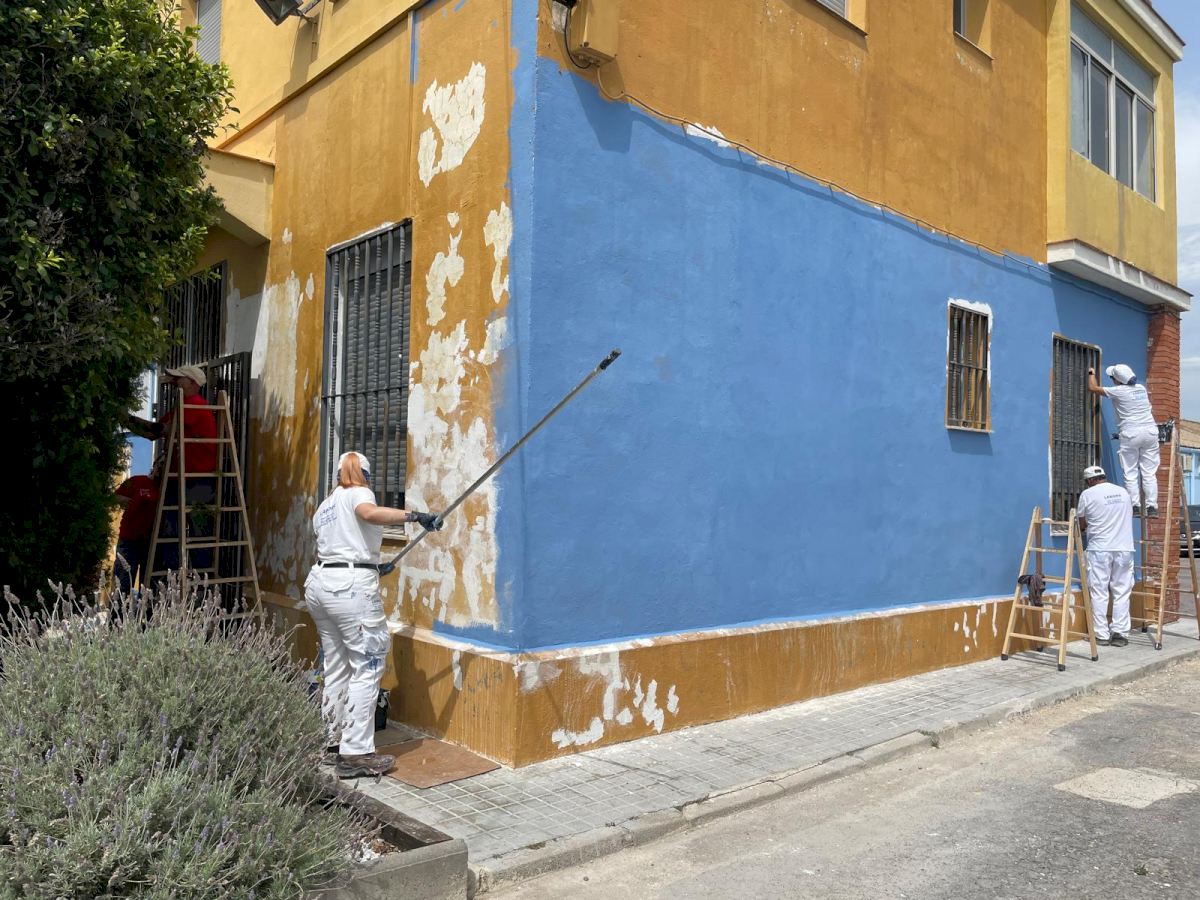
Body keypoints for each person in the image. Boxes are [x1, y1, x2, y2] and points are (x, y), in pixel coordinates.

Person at [305, 451, 442, 778]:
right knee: (368, 666)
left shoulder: (325, 506)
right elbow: (368, 514)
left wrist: (371, 565)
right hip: (349, 589)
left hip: (321, 584)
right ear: (364, 475)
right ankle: (356, 754)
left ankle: (331, 742)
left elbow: (340, 546)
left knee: (337, 665)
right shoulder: (359, 494)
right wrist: (415, 517)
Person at [126, 365, 218, 571]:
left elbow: (161, 429)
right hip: (178, 477)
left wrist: (128, 418)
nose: (175, 382)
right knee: (171, 531)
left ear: (192, 382)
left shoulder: (195, 405)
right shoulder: (181, 407)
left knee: (197, 532)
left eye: (179, 379)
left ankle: (200, 579)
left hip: (197, 479)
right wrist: (126, 420)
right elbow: (152, 433)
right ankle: (172, 578)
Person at [1087, 364, 1160, 517]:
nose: (1112, 380)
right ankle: (1152, 507)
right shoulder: (1141, 389)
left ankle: (1135, 506)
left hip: (1131, 433)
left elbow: (1093, 388)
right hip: (1150, 432)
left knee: (1130, 471)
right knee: (1149, 473)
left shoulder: (1118, 391)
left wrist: (1091, 372)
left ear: (1119, 380)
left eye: (1112, 377)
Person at [1077, 465, 1134, 647]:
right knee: (1122, 591)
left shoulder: (1087, 494)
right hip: (1124, 548)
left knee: (1099, 591)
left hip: (1100, 549)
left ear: (1090, 480)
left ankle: (1101, 634)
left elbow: (1081, 524)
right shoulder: (1123, 492)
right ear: (1103, 476)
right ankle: (1120, 634)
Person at [112, 458, 162, 597]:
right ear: (154, 466)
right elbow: (116, 497)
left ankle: (145, 609)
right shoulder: (137, 480)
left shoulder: (164, 488)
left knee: (148, 584)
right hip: (129, 538)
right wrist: (127, 501)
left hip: (150, 542)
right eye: (160, 464)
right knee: (123, 580)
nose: (161, 468)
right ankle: (119, 609)